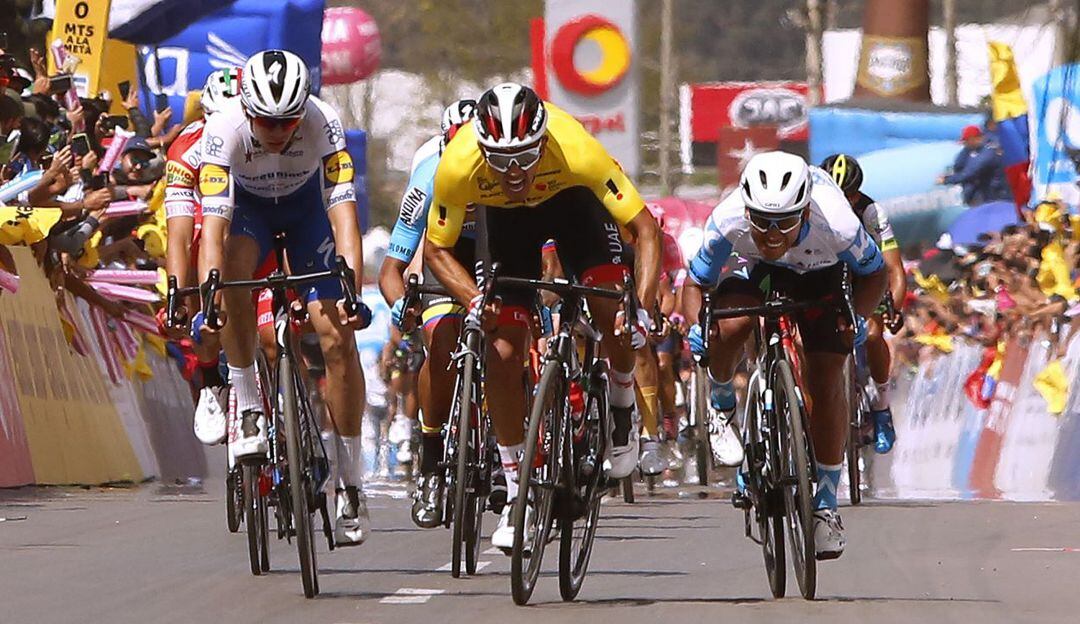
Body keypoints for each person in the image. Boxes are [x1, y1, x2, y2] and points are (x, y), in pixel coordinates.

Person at [424, 82, 661, 550]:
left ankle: (620, 399)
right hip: (508, 225)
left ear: (542, 140)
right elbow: (436, 250)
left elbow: (645, 229)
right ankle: (517, 492)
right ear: (482, 148)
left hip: (574, 207)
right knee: (502, 350)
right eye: (500, 159)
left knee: (609, 303)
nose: (513, 172)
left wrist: (643, 308)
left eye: (524, 157)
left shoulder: (576, 147)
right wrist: (474, 299)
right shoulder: (458, 164)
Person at [197, 49, 371, 546]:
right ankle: (248, 400)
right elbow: (214, 227)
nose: (277, 133)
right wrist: (211, 294)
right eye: (267, 122)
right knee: (231, 274)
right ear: (247, 109)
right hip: (248, 211)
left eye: (287, 122)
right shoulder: (224, 129)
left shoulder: (323, 121)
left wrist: (351, 289)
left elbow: (343, 216)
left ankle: (351, 479)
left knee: (336, 336)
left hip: (305, 213)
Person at [682, 151, 888, 560]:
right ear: (746, 209)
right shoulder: (728, 220)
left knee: (827, 377)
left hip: (821, 273)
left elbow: (876, 273)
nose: (772, 234)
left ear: (807, 209)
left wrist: (859, 317)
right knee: (731, 326)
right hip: (754, 270)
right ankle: (722, 406)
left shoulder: (839, 223)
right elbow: (695, 284)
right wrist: (697, 328)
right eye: (761, 222)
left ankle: (826, 507)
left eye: (784, 223)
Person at [378, 99, 480, 526]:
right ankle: (432, 461)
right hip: (445, 256)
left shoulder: (510, 169)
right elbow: (391, 269)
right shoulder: (427, 176)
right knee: (441, 344)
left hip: (496, 254)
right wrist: (404, 307)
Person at [163, 67, 241, 445]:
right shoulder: (184, 149)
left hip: (254, 217)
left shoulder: (264, 139)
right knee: (199, 245)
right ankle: (210, 379)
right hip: (204, 222)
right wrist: (176, 292)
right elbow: (176, 235)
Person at [821, 153, 905, 453]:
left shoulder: (872, 212)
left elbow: (894, 269)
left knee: (871, 333)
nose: (844, 202)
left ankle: (881, 408)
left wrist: (895, 307)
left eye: (850, 196)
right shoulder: (812, 207)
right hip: (825, 275)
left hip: (864, 277)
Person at [938, 125, 1011, 206]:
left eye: (967, 141)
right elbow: (959, 164)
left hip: (997, 197)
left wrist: (946, 180)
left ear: (974, 139)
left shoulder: (988, 152)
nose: (965, 144)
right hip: (987, 195)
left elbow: (971, 172)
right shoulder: (973, 150)